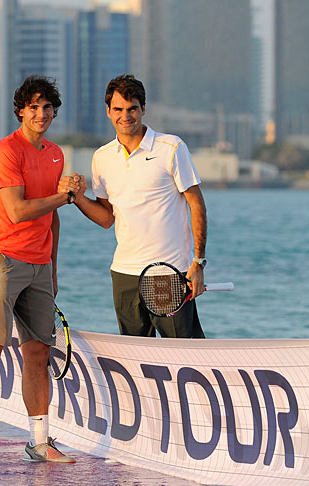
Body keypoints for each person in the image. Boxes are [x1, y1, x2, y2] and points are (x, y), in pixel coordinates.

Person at [0, 75, 84, 467]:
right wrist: (64, 196)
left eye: (48, 108)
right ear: (20, 111)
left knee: (38, 355)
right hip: (0, 259)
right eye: (33, 107)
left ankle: (39, 442)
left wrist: (53, 266)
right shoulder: (5, 152)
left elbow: (53, 216)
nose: (41, 114)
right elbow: (16, 211)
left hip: (39, 265)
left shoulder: (55, 154)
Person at [72, 74, 208, 339]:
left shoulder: (172, 147)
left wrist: (198, 263)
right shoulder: (101, 157)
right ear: (108, 112)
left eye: (132, 108)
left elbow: (197, 204)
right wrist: (78, 198)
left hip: (167, 273)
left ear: (143, 109)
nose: (126, 116)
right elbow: (106, 218)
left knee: (185, 357)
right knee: (135, 360)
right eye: (119, 109)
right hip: (124, 275)